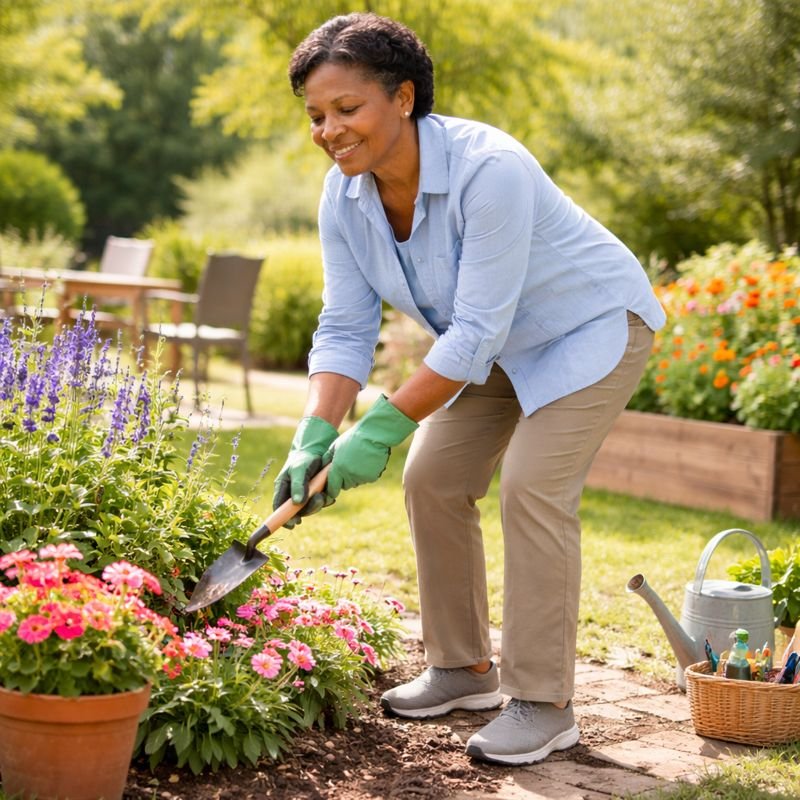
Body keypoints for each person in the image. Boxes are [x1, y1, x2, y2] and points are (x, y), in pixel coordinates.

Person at [274, 12, 666, 766]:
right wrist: (315, 431)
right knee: (432, 478)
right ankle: (462, 669)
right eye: (317, 116)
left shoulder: (492, 169)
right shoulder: (344, 197)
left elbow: (476, 328)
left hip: (588, 329)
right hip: (492, 350)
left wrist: (378, 427)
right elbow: (346, 327)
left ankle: (545, 705)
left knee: (531, 489)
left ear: (403, 97)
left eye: (347, 109)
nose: (329, 130)